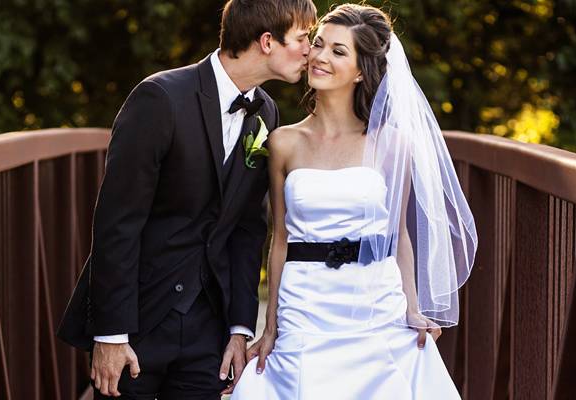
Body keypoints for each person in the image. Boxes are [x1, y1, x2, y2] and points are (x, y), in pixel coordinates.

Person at [56, 1, 317, 398]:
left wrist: (239, 328)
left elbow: (248, 229)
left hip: (207, 331)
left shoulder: (266, 112)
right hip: (138, 321)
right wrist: (110, 334)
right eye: (302, 38)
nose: (309, 51)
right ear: (267, 41)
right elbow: (117, 221)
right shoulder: (160, 97)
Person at [232, 3, 477, 399]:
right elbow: (279, 241)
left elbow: (398, 237)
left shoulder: (392, 144)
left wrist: (412, 308)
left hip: (373, 300)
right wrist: (271, 327)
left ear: (361, 70)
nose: (320, 57)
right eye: (318, 44)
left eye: (338, 51)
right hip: (305, 304)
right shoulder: (283, 142)